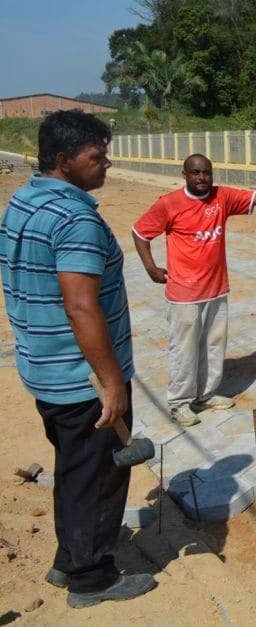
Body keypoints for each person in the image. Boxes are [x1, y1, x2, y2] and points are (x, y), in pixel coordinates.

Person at [0, 110, 155, 607]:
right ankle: (93, 579)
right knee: (100, 477)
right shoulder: (75, 218)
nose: (106, 164)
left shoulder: (23, 200)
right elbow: (81, 305)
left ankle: (69, 561)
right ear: (64, 160)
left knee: (74, 469)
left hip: (44, 368)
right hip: (83, 379)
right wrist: (111, 383)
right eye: (97, 156)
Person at [132, 153, 256, 427]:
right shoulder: (169, 204)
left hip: (217, 290)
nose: (202, 178)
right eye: (195, 173)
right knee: (184, 351)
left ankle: (204, 397)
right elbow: (140, 233)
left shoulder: (222, 198)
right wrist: (151, 268)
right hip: (184, 293)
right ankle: (179, 404)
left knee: (213, 347)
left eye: (206, 172)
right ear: (185, 175)